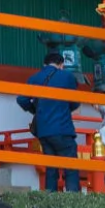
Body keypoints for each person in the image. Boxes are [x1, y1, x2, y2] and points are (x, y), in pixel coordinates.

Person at [16, 50, 82, 192]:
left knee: (51, 168)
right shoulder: (67, 76)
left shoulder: (35, 78)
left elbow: (21, 99)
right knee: (70, 166)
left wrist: (36, 111)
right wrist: (64, 108)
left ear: (44, 64)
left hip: (44, 131)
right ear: (61, 64)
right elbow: (75, 102)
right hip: (62, 128)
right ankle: (74, 200)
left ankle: (50, 200)